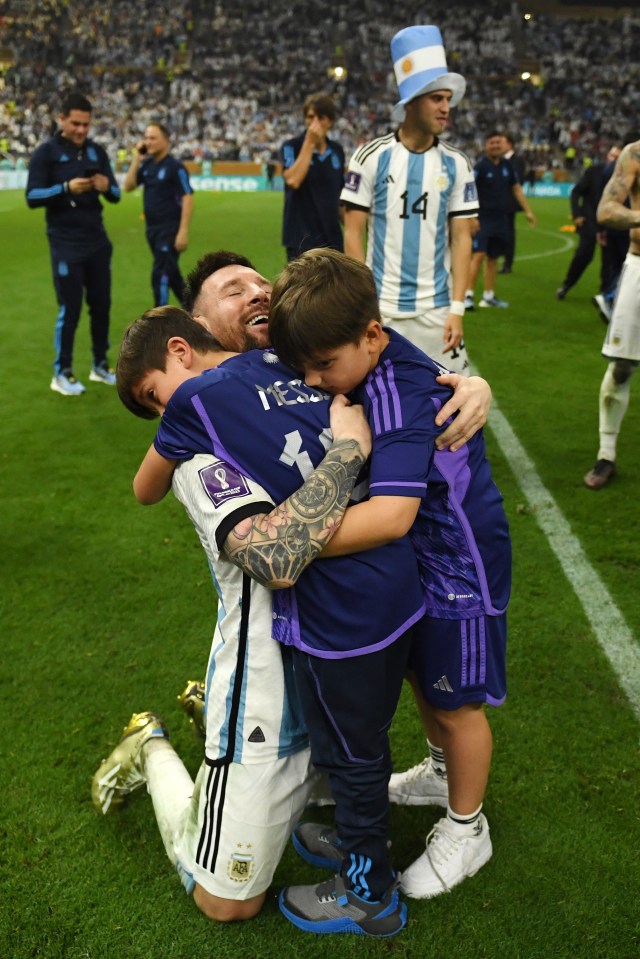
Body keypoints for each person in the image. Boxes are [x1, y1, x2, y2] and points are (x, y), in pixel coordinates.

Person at [108, 306, 430, 937]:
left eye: (154, 398)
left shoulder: (288, 364)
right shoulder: (199, 449)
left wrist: (470, 385)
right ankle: (151, 748)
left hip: (336, 627)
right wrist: (348, 452)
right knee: (226, 901)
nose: (160, 413)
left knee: (356, 748)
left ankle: (358, 861)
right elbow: (271, 556)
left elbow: (393, 362)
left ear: (181, 349)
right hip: (268, 681)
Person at [268, 248, 511, 900]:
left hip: (459, 560)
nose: (315, 382)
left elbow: (393, 517)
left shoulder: (397, 391)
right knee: (421, 672)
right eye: (305, 369)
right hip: (423, 557)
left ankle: (468, 828)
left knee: (458, 702)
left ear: (372, 336)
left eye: (323, 367)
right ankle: (439, 774)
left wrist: (281, 543)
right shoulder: (359, 349)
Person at [340, 24, 477, 374]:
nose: (447, 107)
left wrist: (457, 309)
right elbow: (353, 234)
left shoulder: (457, 163)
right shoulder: (370, 157)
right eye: (437, 98)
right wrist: (363, 305)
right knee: (380, 407)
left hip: (438, 311)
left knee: (452, 413)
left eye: (448, 99)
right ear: (412, 103)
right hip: (382, 310)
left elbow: (463, 238)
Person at [26, 90, 121, 395]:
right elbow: (32, 196)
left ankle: (100, 366)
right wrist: (66, 188)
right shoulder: (46, 153)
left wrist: (106, 186)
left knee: (102, 306)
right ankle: (62, 372)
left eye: (86, 125)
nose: (81, 130)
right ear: (62, 119)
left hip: (97, 240)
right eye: (76, 123)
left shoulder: (96, 152)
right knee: (71, 308)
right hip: (65, 242)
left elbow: (116, 194)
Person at [583, 137, 640, 490]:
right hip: (639, 266)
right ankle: (607, 454)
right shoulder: (635, 153)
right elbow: (605, 209)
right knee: (621, 366)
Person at [123, 122, 194, 306]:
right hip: (152, 230)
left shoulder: (175, 167)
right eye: (146, 138)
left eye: (153, 138)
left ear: (166, 140)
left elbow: (187, 197)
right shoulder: (147, 165)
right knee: (171, 273)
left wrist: (183, 232)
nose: (148, 142)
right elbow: (128, 186)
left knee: (160, 274)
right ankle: (193, 308)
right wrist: (136, 159)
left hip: (169, 229)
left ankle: (159, 319)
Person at [465, 131, 536, 311]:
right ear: (486, 146)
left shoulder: (507, 166)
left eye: (498, 143)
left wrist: (528, 211)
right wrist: (472, 216)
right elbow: (470, 191)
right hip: (483, 219)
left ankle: (488, 296)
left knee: (493, 258)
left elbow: (517, 189)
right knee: (478, 255)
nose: (495, 146)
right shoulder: (481, 167)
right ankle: (468, 295)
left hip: (500, 219)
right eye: (492, 143)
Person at [281, 93, 345, 261]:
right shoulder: (291, 147)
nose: (314, 122)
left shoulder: (337, 150)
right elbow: (293, 180)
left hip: (332, 240)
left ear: (330, 122)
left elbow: (339, 196)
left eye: (321, 117)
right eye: (310, 117)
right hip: (301, 240)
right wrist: (309, 143)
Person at [556, 146, 620, 303]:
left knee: (609, 261)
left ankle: (604, 295)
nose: (614, 159)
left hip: (611, 224)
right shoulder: (594, 171)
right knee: (583, 255)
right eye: (613, 155)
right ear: (607, 155)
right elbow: (576, 191)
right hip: (590, 221)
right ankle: (567, 285)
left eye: (618, 156)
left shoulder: (625, 176)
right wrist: (577, 214)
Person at [500, 134, 526, 274]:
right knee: (502, 232)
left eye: (502, 142)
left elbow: (518, 181)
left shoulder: (517, 160)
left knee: (509, 233)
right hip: (500, 202)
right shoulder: (502, 160)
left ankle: (507, 264)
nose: (500, 146)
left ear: (509, 145)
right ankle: (503, 260)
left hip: (509, 203)